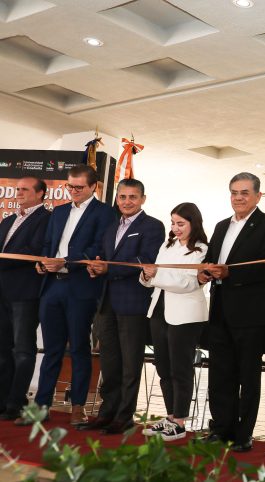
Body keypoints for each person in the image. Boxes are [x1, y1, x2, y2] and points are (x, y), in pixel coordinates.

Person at [197, 172, 265, 452]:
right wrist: (207, 270)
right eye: (234, 192)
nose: (238, 198)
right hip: (220, 310)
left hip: (251, 313)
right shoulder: (222, 226)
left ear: (258, 196)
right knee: (220, 374)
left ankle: (244, 433)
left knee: (248, 377)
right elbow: (212, 259)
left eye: (245, 192)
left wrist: (229, 273)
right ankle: (221, 429)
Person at [23, 164, 114, 426]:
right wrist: (42, 263)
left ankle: (77, 406)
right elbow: (47, 245)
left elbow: (99, 248)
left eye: (79, 187)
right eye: (69, 186)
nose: (73, 191)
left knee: (79, 349)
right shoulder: (60, 211)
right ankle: (41, 406)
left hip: (81, 287)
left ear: (93, 187)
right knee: (51, 349)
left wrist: (65, 261)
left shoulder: (105, 213)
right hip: (52, 286)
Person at [82, 178, 164, 434]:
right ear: (116, 198)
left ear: (142, 199)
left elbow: (145, 260)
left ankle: (124, 416)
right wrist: (96, 268)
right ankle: (107, 412)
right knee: (109, 362)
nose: (127, 202)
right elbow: (104, 258)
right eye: (122, 197)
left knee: (130, 363)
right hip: (106, 302)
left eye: (132, 197)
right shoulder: (111, 226)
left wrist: (109, 268)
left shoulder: (153, 226)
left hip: (133, 303)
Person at [139, 202, 208, 442]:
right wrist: (146, 275)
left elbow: (189, 282)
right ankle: (170, 417)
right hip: (159, 310)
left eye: (181, 224)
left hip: (186, 315)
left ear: (193, 224)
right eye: (173, 223)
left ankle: (180, 421)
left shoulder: (200, 249)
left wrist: (156, 274)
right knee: (163, 368)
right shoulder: (167, 244)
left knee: (180, 368)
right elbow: (153, 277)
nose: (175, 228)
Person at [0, 177, 50, 421]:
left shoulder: (46, 219)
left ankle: (16, 402)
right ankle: (2, 399)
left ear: (40, 194)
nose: (18, 192)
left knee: (22, 350)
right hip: (2, 292)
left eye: (24, 189)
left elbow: (34, 251)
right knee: (2, 349)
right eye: (17, 189)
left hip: (25, 293)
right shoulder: (9, 219)